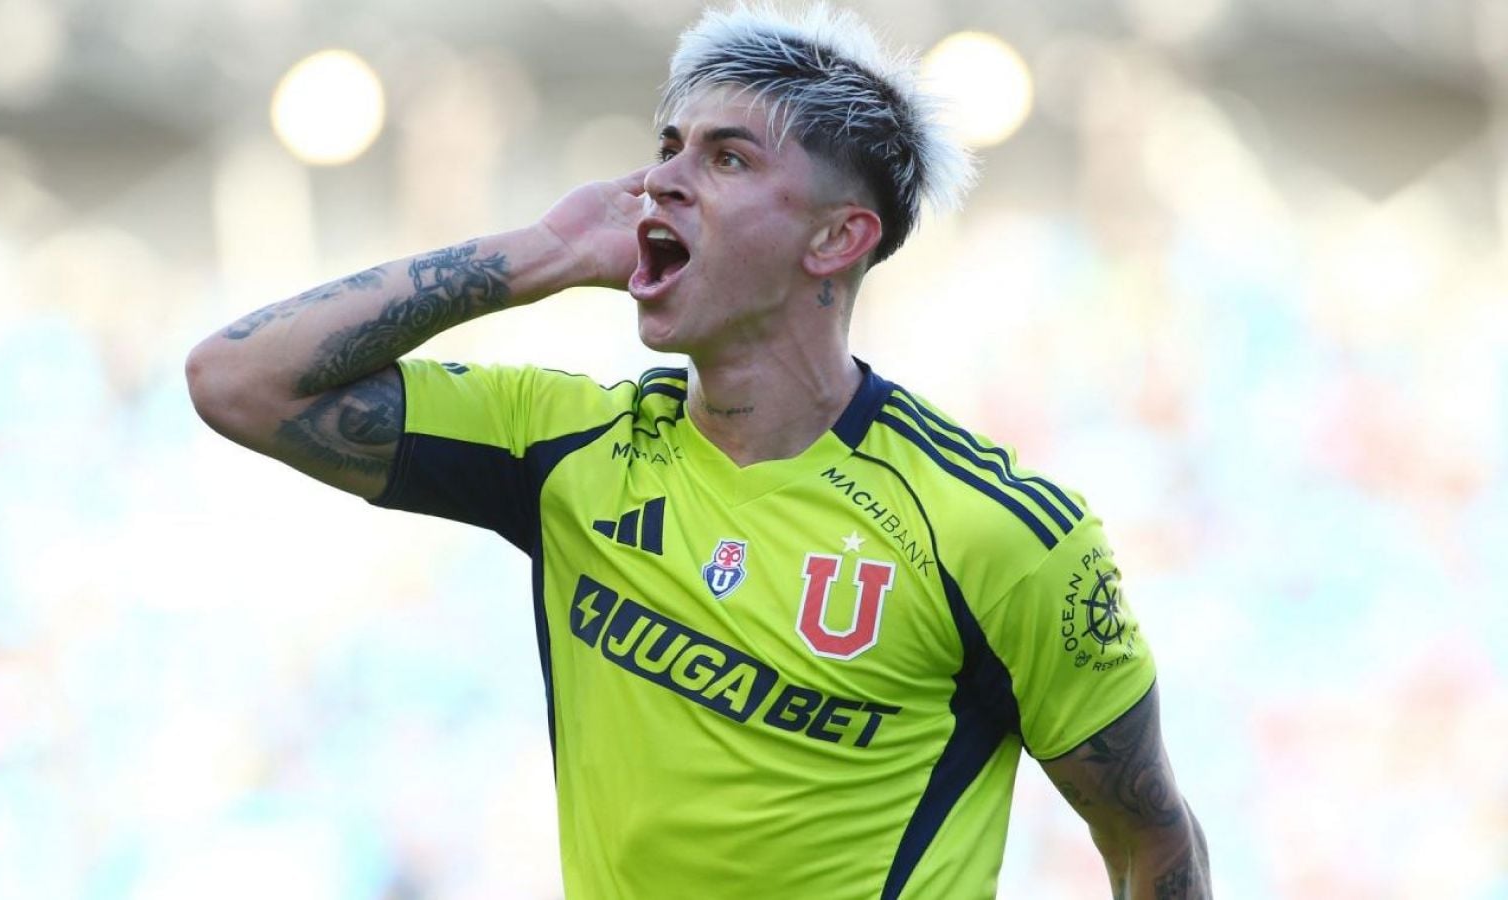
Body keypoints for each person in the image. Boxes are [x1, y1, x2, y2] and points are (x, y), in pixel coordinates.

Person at [186, 5, 1210, 897]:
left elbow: (1149, 838)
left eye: (725, 158)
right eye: (667, 146)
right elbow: (238, 380)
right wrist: (542, 254)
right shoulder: (563, 443)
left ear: (836, 239)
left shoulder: (995, 531)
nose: (658, 182)